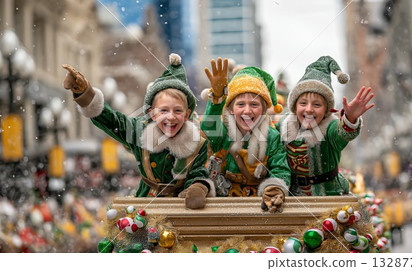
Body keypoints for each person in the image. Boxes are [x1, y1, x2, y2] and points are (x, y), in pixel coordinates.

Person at [62, 53, 214, 209]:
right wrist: (86, 93)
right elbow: (112, 120)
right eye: (163, 110)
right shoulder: (139, 131)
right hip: (144, 206)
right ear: (152, 113)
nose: (171, 117)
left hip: (180, 208)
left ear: (187, 114)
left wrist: (198, 188)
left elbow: (197, 174)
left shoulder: (198, 144)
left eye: (177, 111)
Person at [201, 57, 290, 213]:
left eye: (254, 104)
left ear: (263, 111)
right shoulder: (222, 133)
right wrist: (216, 98)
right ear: (230, 109)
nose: (247, 110)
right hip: (224, 208)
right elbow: (208, 126)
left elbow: (280, 169)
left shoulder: (272, 137)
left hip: (260, 207)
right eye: (240, 104)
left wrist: (275, 189)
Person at [277, 56, 374, 196]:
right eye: (303, 103)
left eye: (317, 105)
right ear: (294, 106)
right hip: (293, 197)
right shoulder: (281, 125)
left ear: (327, 110)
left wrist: (350, 118)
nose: (309, 109)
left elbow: (342, 134)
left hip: (330, 194)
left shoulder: (330, 127)